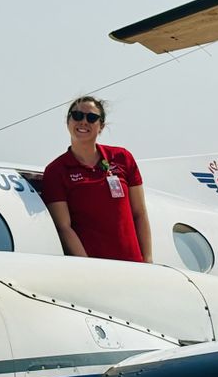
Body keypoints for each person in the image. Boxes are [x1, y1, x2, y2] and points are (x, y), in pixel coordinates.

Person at [41, 96, 152, 263]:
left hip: (133, 266)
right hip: (95, 269)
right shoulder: (56, 171)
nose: (83, 122)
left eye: (91, 118)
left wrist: (148, 261)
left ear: (101, 126)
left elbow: (140, 214)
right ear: (68, 121)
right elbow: (64, 227)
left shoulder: (122, 158)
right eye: (77, 115)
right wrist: (88, 267)